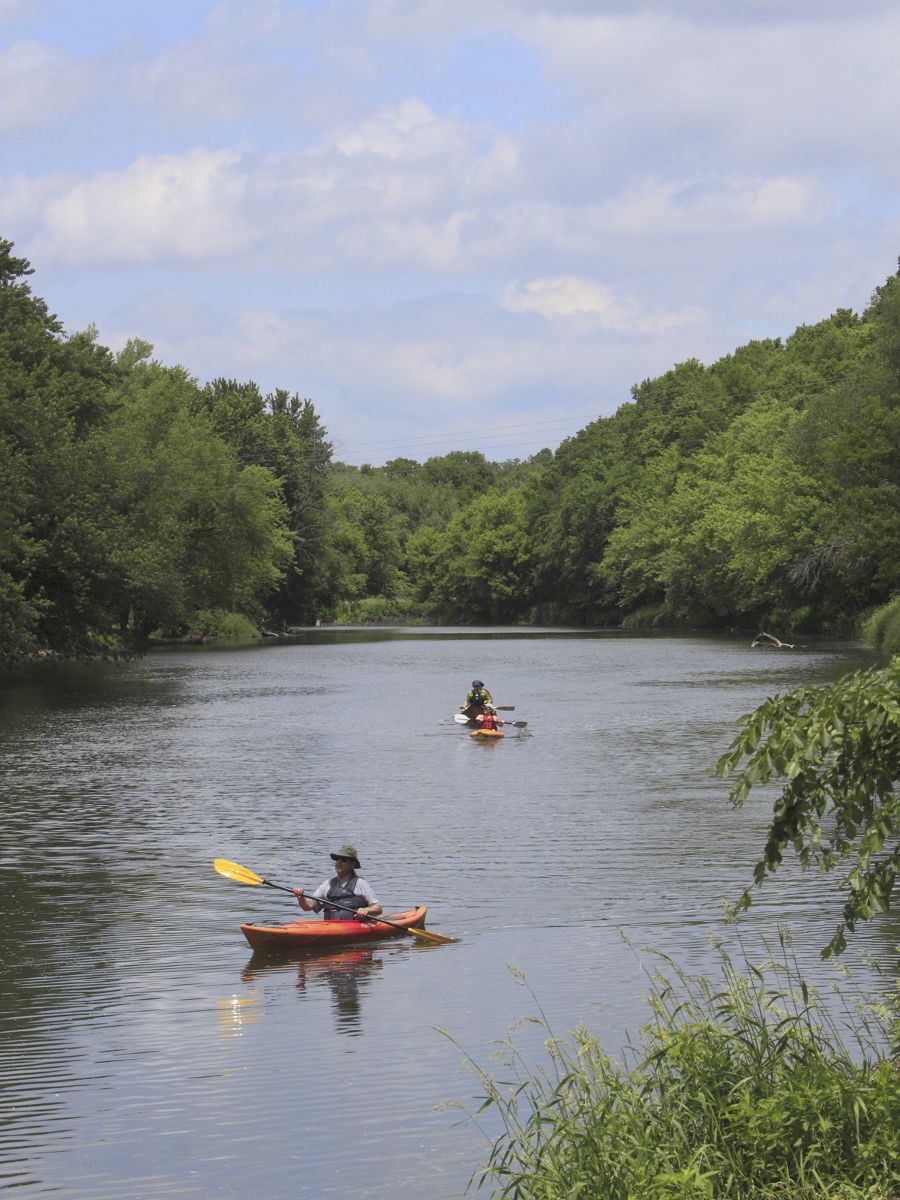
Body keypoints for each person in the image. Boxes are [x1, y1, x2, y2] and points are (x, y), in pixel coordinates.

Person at [292, 844, 383, 921]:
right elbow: (307, 907)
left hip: (356, 926)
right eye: (337, 859)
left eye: (343, 860)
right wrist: (300, 897)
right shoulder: (327, 885)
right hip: (331, 927)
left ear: (352, 864)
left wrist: (366, 910)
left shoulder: (360, 883)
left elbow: (378, 909)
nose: (339, 862)